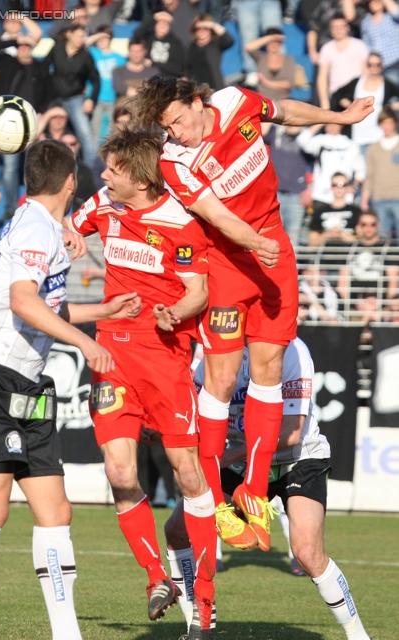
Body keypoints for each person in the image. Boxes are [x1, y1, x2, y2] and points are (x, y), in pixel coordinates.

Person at [132, 75, 374, 554]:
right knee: (221, 380)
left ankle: (254, 491)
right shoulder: (174, 159)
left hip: (273, 251)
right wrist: (253, 241)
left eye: (179, 120)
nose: (177, 132)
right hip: (228, 263)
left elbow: (282, 109)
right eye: (168, 127)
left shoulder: (236, 101)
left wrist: (338, 118)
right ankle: (214, 499)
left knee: (266, 372)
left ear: (197, 102)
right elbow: (215, 214)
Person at [0, 139, 141, 640]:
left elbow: (44, 308)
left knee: (56, 511)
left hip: (26, 378)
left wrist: (103, 312)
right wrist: (85, 344)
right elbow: (23, 301)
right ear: (71, 182)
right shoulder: (35, 225)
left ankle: (66, 633)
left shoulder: (43, 225)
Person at [66, 128, 218, 640]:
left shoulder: (179, 222)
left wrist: (175, 312)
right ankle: (158, 578)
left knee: (189, 476)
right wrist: (66, 236)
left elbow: (198, 292)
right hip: (111, 352)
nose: (103, 175)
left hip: (165, 359)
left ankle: (205, 602)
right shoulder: (104, 203)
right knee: (119, 470)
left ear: (138, 175)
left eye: (112, 169)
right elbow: (70, 227)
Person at [163, 338, 372, 640]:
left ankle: (358, 635)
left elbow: (291, 431)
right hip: (238, 460)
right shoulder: (214, 352)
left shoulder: (293, 348)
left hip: (297, 458)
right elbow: (194, 424)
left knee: (307, 553)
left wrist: (218, 458)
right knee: (177, 530)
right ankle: (197, 628)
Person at [0, 34, 52, 219]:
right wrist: (15, 40)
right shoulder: (8, 62)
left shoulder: (39, 68)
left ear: (32, 47)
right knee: (10, 168)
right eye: (20, 46)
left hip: (31, 123)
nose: (23, 48)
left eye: (27, 45)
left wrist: (41, 112)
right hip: (9, 125)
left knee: (32, 167)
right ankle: (10, 207)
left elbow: (49, 92)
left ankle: (32, 206)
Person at [43, 24, 101, 173]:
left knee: (86, 135)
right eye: (78, 35)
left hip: (74, 98)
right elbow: (43, 68)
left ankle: (90, 174)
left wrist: (91, 99)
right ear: (69, 34)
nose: (80, 39)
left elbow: (96, 79)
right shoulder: (57, 48)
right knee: (41, 130)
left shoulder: (86, 56)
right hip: (53, 96)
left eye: (83, 37)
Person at [330, 51, 399, 153]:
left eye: (377, 64)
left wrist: (391, 107)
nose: (374, 67)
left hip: (378, 135)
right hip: (356, 135)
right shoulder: (357, 82)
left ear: (382, 66)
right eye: (370, 64)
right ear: (366, 65)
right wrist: (348, 105)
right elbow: (336, 95)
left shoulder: (387, 85)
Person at [297, 122, 366, 206]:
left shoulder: (351, 145)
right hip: (321, 195)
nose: (332, 126)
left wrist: (354, 186)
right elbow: (301, 140)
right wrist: (321, 121)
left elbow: (361, 169)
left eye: (335, 123)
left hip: (345, 197)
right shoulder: (320, 141)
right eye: (329, 123)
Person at [360, 106, 399, 238]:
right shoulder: (373, 148)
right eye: (383, 123)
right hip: (379, 198)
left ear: (395, 123)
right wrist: (364, 201)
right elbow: (369, 175)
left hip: (398, 196)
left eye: (390, 123)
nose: (387, 127)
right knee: (383, 239)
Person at [317, 13, 369, 110]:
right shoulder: (326, 48)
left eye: (341, 26)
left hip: (356, 94)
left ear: (347, 28)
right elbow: (322, 77)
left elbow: (366, 71)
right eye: (334, 27)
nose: (338, 30)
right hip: (336, 95)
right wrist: (324, 102)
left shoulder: (359, 45)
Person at [88, 25, 127, 146]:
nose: (101, 41)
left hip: (113, 100)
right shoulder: (92, 53)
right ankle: (95, 162)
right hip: (96, 99)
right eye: (99, 39)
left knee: (111, 133)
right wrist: (98, 35)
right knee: (95, 133)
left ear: (110, 39)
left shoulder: (119, 58)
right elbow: (84, 43)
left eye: (105, 38)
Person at [244, 28, 300, 102]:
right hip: (263, 100)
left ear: (280, 43)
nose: (273, 44)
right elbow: (248, 47)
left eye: (276, 41)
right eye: (270, 41)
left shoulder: (288, 59)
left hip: (283, 100)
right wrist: (270, 37)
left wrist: (266, 82)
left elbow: (289, 84)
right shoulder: (261, 57)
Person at [308, 171, 361, 246]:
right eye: (335, 185)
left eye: (342, 185)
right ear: (331, 187)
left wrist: (340, 235)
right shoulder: (319, 212)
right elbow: (311, 244)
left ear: (348, 187)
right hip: (324, 255)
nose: (338, 188)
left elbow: (362, 241)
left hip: (349, 255)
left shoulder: (357, 212)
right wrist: (327, 235)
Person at [184, 14, 234, 92]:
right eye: (199, 28)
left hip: (214, 88)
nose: (202, 31)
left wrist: (212, 24)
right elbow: (185, 68)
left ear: (211, 30)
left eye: (206, 28)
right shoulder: (190, 47)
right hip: (196, 90)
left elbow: (229, 40)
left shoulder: (215, 45)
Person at [111, 37, 160, 110]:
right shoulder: (118, 71)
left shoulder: (153, 72)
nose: (136, 54)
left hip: (146, 113)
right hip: (124, 114)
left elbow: (156, 92)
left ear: (145, 51)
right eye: (133, 51)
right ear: (128, 51)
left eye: (139, 51)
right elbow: (118, 87)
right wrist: (143, 93)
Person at [360, 0, 399, 87]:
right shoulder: (366, 21)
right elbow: (366, 43)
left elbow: (396, 12)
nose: (376, 2)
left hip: (393, 62)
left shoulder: (391, 16)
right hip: (376, 66)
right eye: (372, 1)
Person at [61, 131, 97, 211]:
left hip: (75, 216)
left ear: (77, 145)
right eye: (64, 144)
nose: (68, 147)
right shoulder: (50, 168)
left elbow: (92, 195)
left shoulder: (85, 171)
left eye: (72, 144)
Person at [145, 12, 185, 79]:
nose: (162, 26)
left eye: (165, 23)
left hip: (168, 79)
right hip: (148, 78)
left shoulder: (175, 43)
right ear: (155, 25)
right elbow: (138, 33)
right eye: (160, 23)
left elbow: (177, 68)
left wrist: (153, 63)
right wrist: (153, 18)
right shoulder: (148, 38)